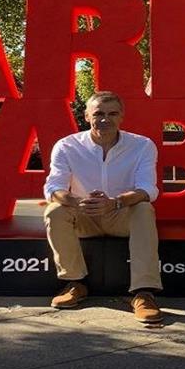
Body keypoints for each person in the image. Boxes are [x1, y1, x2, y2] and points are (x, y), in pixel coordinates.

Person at [42, 91, 163, 324]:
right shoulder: (67, 146)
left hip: (120, 216)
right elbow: (53, 188)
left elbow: (148, 189)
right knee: (54, 210)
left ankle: (144, 292)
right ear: (87, 116)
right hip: (83, 216)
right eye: (98, 113)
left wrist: (115, 202)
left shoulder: (142, 146)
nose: (104, 119)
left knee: (144, 208)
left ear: (122, 117)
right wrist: (79, 202)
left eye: (112, 113)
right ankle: (75, 283)